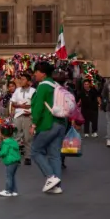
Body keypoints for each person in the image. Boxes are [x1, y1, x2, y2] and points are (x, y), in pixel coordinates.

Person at [31, 62, 66, 194]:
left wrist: (34, 123)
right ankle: (57, 186)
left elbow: (38, 106)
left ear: (43, 73)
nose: (35, 74)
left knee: (35, 150)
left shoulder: (43, 86)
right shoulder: (56, 85)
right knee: (55, 155)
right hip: (61, 123)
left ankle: (50, 177)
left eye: (36, 72)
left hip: (48, 123)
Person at [11, 72, 35, 165]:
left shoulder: (33, 91)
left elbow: (34, 104)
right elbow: (13, 103)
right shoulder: (17, 90)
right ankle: (16, 156)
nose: (21, 81)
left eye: (23, 79)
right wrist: (21, 105)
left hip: (28, 115)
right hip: (18, 115)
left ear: (29, 81)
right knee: (16, 135)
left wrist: (28, 109)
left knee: (27, 137)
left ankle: (27, 157)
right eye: (21, 79)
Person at [0, 122, 21, 197]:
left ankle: (8, 190)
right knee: (13, 176)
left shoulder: (5, 142)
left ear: (2, 134)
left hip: (10, 162)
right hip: (16, 161)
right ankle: (14, 191)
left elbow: (4, 152)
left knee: (9, 176)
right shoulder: (13, 141)